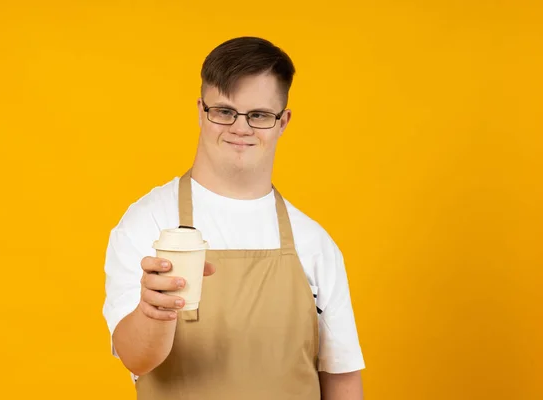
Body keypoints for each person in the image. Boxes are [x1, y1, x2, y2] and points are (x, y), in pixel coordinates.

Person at [102, 36, 365, 399]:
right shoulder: (147, 224)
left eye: (258, 115)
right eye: (224, 111)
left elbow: (341, 378)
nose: (240, 128)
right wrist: (154, 310)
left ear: (283, 122)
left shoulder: (314, 241)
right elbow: (136, 358)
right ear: (200, 110)